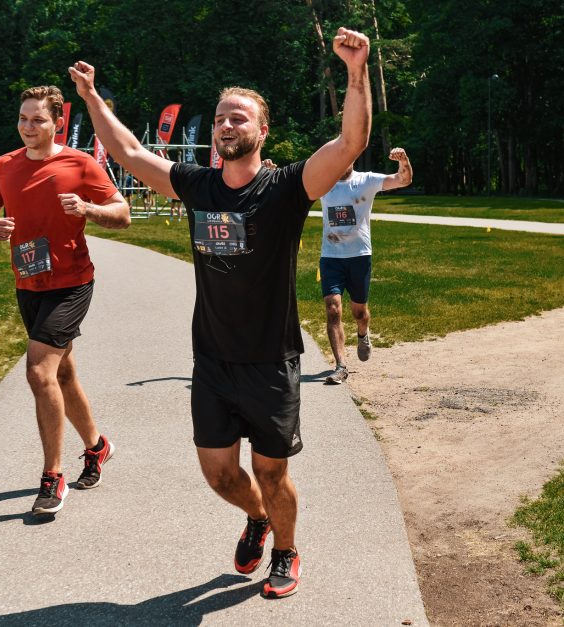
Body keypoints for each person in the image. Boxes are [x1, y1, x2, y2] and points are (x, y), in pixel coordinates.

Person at [69, 26, 372, 599]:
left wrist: (356, 72)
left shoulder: (286, 189)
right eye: (220, 118)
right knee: (218, 473)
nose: (226, 125)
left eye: (239, 118)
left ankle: (285, 550)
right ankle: (258, 519)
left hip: (270, 360)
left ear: (262, 130)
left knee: (272, 471)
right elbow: (131, 154)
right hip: (211, 360)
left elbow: (349, 143)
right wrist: (90, 99)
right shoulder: (198, 185)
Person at [0, 85, 131, 516]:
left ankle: (52, 476)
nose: (28, 127)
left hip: (72, 282)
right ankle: (97, 447)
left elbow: (123, 213)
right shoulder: (4, 166)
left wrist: (88, 209)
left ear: (57, 122)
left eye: (37, 120)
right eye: (23, 119)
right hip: (28, 283)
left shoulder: (79, 163)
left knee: (39, 371)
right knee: (62, 374)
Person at [321, 147, 413, 384]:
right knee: (333, 309)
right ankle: (341, 365)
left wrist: (403, 160)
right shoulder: (323, 183)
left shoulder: (367, 181)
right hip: (331, 257)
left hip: (360, 256)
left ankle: (363, 333)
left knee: (359, 312)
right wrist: (270, 172)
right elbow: (291, 189)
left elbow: (403, 180)